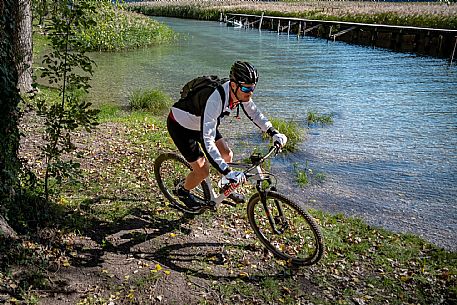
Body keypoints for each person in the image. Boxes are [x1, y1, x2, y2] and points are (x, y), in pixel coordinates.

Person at [167, 61, 287, 210]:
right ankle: (182, 191)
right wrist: (227, 171)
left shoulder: (239, 93)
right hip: (181, 125)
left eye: (252, 88)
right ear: (234, 85)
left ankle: (226, 188)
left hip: (203, 124)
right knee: (203, 171)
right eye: (245, 88)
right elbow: (208, 140)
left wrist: (273, 132)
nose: (250, 93)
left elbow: (255, 113)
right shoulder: (215, 99)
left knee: (227, 154)